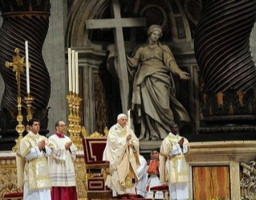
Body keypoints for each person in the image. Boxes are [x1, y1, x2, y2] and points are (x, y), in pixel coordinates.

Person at [127, 24, 190, 141]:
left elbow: (171, 63)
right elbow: (133, 63)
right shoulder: (141, 50)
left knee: (164, 105)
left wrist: (179, 72)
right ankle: (152, 133)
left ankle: (168, 131)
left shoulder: (163, 49)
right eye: (154, 34)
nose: (156, 37)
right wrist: (121, 57)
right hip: (145, 79)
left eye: (158, 35)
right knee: (148, 107)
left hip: (160, 78)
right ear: (149, 34)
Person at [103, 113, 140, 198]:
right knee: (118, 174)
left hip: (128, 156)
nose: (124, 121)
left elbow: (135, 140)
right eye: (122, 120)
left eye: (125, 120)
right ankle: (119, 193)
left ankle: (129, 192)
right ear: (118, 121)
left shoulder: (128, 129)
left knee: (129, 175)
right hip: (117, 156)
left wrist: (132, 144)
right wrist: (125, 140)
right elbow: (113, 143)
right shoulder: (113, 129)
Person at [17, 118, 52, 200]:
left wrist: (44, 148)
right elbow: (26, 155)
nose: (38, 126)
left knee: (45, 193)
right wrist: (38, 148)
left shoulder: (43, 138)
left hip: (43, 170)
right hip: (32, 171)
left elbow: (49, 152)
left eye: (38, 125)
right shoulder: (25, 140)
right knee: (34, 195)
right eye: (35, 125)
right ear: (30, 127)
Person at [159, 122, 190, 200]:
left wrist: (182, 146)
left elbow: (187, 151)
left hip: (182, 165)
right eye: (175, 127)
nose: (177, 129)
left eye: (177, 127)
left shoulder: (182, 138)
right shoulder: (167, 140)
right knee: (174, 187)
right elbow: (167, 152)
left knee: (183, 186)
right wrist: (178, 145)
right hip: (172, 165)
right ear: (171, 128)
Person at [48, 120, 78, 200]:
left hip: (67, 166)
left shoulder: (67, 138)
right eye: (62, 125)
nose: (64, 127)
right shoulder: (52, 139)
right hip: (57, 167)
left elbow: (74, 151)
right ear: (56, 127)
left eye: (65, 125)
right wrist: (65, 148)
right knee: (59, 188)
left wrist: (70, 148)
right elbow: (53, 152)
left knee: (69, 187)